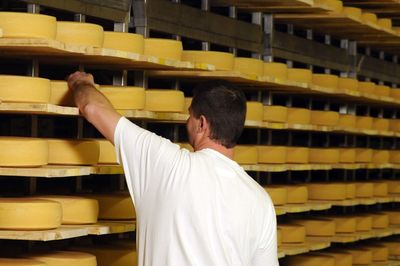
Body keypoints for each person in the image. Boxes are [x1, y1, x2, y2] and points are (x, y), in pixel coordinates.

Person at [67, 71, 278, 266]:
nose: (188, 122)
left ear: (202, 124)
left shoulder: (167, 164)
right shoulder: (260, 201)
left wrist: (81, 82)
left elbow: (92, 107)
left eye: (190, 116)